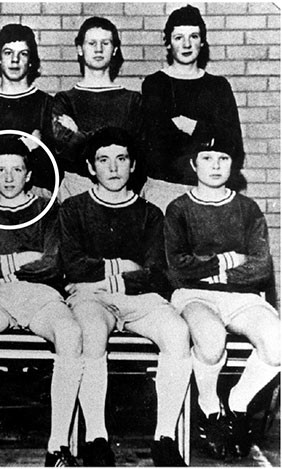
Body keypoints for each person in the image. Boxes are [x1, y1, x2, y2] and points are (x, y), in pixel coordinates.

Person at [58, 127, 191, 466]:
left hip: (138, 298)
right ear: (91, 167)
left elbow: (156, 271)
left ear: (133, 166)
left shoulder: (150, 214)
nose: (113, 168)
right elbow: (73, 266)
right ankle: (96, 438)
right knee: (90, 331)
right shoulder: (73, 209)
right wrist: (124, 267)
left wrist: (110, 277)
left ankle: (165, 438)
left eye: (121, 159)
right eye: (104, 160)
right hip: (92, 300)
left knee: (177, 333)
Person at [0, 138, 82, 467]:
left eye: (16, 169)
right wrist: (18, 260)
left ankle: (58, 446)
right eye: (1, 170)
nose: (9, 177)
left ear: (29, 175)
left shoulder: (48, 211)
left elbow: (54, 262)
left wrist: (6, 262)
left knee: (70, 334)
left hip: (40, 295)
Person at [164, 138, 280, 460]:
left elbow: (259, 267)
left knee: (278, 342)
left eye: (223, 158)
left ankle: (237, 404)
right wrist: (228, 261)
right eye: (207, 157)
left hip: (241, 296)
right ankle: (210, 407)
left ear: (233, 164)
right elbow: (176, 268)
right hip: (194, 295)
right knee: (211, 338)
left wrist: (214, 272)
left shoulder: (247, 209)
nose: (215, 165)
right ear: (193, 164)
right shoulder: (179, 209)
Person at [141, 5, 245, 213]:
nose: (187, 44)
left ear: (203, 42)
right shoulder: (155, 84)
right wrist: (209, 137)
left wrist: (194, 127)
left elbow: (233, 146)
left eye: (194, 36)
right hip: (163, 192)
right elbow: (158, 148)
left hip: (209, 192)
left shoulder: (218, 86)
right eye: (179, 37)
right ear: (169, 43)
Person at [52, 17, 143, 201]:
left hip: (122, 190)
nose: (99, 49)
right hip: (77, 189)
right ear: (79, 49)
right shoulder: (64, 99)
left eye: (105, 43)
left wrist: (79, 135)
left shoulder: (132, 100)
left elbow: (138, 152)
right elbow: (65, 150)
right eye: (92, 43)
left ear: (115, 49)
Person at [0, 23, 57, 204]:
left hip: (37, 193)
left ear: (31, 60)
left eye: (23, 54)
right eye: (8, 53)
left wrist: (36, 150)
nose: (15, 60)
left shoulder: (46, 103)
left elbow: (54, 168)